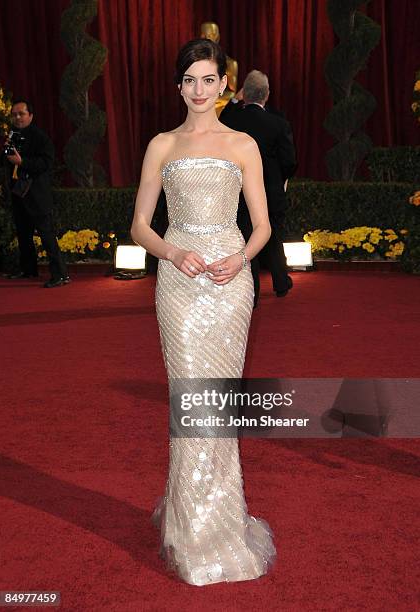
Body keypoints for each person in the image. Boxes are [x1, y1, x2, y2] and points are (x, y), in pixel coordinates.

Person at [131, 39, 276, 586]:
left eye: (207, 79)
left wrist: (239, 259)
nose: (198, 89)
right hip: (179, 282)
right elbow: (140, 225)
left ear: (223, 84)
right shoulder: (161, 145)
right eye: (188, 79)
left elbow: (262, 226)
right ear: (179, 86)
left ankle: (220, 522)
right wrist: (173, 251)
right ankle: (192, 535)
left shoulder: (243, 144)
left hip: (230, 284)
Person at [220, 70, 297, 304]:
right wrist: (278, 181)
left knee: (245, 239)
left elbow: (220, 122)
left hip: (240, 193)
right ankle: (281, 282)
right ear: (267, 95)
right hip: (271, 192)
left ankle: (251, 292)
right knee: (272, 235)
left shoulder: (233, 120)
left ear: (244, 95)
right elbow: (290, 162)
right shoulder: (278, 123)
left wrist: (234, 101)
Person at [0, 99, 69, 287]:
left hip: (36, 193)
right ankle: (28, 269)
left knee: (46, 234)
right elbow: (6, 159)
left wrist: (22, 162)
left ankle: (60, 274)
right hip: (18, 191)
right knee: (23, 234)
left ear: (30, 115)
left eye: (21, 114)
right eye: (14, 114)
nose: (17, 117)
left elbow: (46, 163)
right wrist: (6, 152)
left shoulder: (40, 137)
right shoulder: (13, 134)